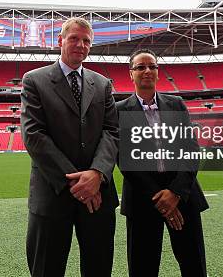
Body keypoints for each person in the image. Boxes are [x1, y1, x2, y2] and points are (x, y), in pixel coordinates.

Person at [20, 17, 119, 277]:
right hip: (53, 195)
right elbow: (34, 135)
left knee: (99, 269)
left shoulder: (102, 84)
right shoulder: (34, 80)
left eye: (87, 40)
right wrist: (77, 183)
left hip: (98, 196)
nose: (81, 44)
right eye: (74, 38)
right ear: (60, 41)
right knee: (46, 270)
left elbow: (112, 132)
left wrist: (97, 173)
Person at [117, 48, 209, 277]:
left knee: (193, 264)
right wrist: (160, 197)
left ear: (158, 73)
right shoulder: (118, 110)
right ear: (131, 74)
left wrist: (175, 192)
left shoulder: (176, 104)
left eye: (152, 66)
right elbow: (124, 158)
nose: (147, 71)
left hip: (183, 196)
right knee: (142, 267)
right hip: (142, 198)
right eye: (140, 67)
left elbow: (191, 149)